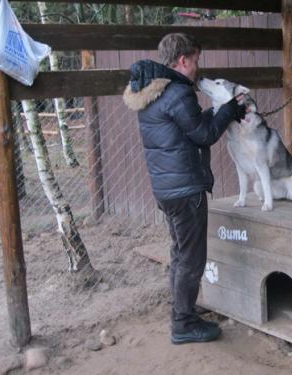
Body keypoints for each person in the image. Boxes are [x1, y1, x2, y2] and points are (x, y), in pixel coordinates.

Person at [122, 33, 246, 344]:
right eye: (196, 61)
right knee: (192, 258)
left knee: (180, 253)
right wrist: (227, 112)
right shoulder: (178, 92)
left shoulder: (151, 91)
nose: (196, 69)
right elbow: (203, 135)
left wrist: (222, 112)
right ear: (183, 60)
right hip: (185, 190)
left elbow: (186, 128)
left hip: (166, 189)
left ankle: (182, 312)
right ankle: (183, 324)